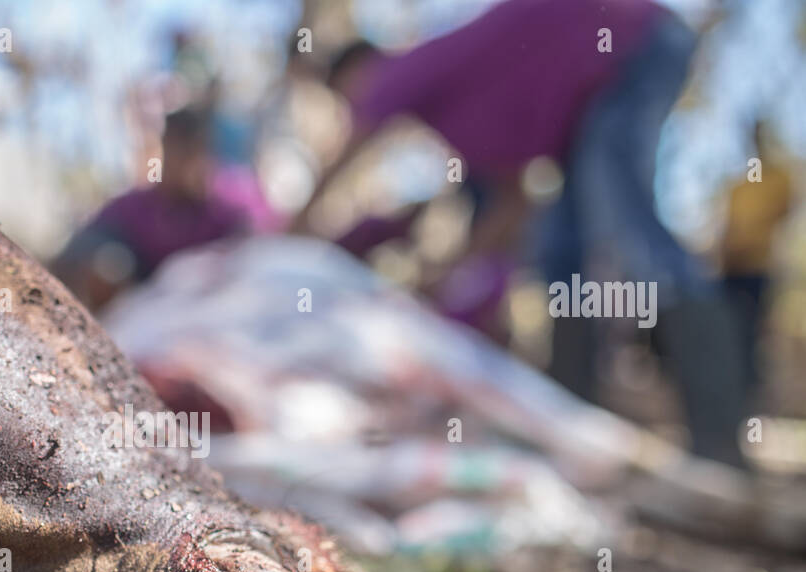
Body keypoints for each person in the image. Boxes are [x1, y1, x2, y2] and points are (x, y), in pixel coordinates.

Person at [303, 0, 747, 467]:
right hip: (589, 90)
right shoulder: (475, 112)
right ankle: (575, 428)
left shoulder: (400, 70)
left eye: (344, 94)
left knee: (630, 227)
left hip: (635, 42)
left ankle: (718, 439)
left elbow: (345, 153)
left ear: (360, 69)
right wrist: (449, 272)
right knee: (560, 254)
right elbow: (516, 201)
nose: (351, 106)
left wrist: (292, 234)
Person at [53, 108, 251, 312]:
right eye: (175, 151)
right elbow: (76, 252)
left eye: (191, 152)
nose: (182, 164)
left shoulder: (223, 215)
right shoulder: (134, 208)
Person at [719, 121, 795, 402]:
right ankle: (733, 391)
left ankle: (751, 395)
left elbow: (784, 213)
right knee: (731, 329)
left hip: (759, 267)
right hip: (731, 269)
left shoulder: (780, 177)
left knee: (753, 329)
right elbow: (727, 227)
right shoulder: (738, 185)